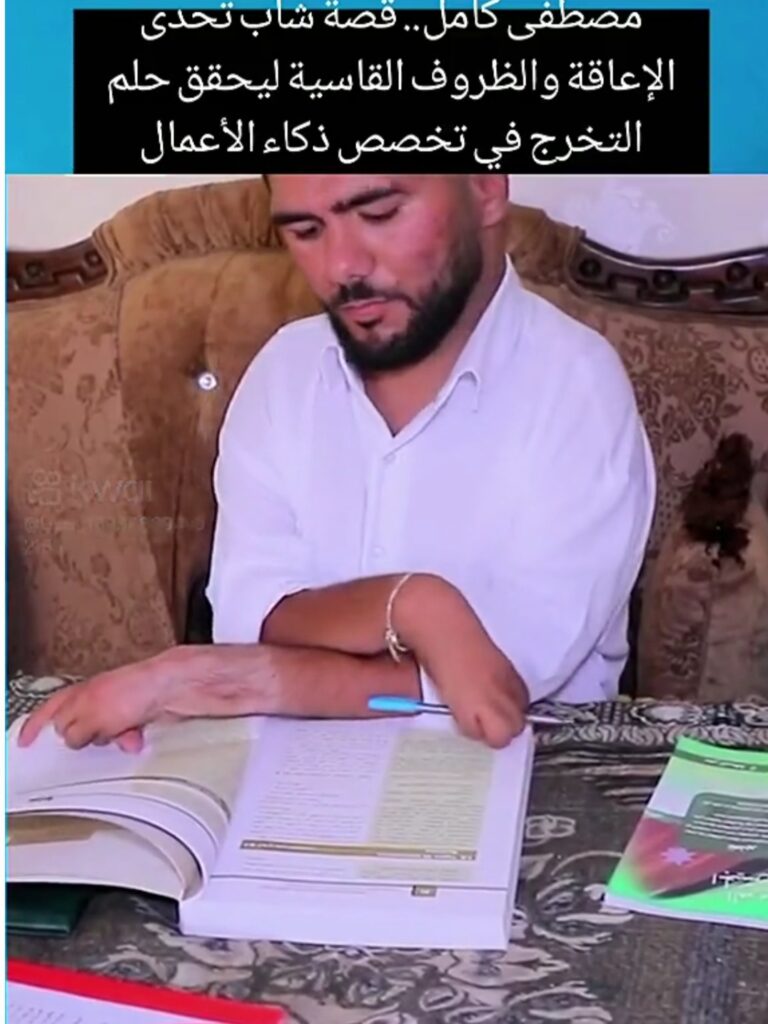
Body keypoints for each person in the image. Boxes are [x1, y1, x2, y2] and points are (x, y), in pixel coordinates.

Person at [18, 174, 656, 754]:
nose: (342, 267)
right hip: (285, 779)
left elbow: (493, 688)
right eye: (305, 229)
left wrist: (218, 679)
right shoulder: (284, 372)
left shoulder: (576, 387)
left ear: (486, 188)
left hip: (518, 785)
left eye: (378, 213)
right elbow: (252, 615)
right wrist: (412, 607)